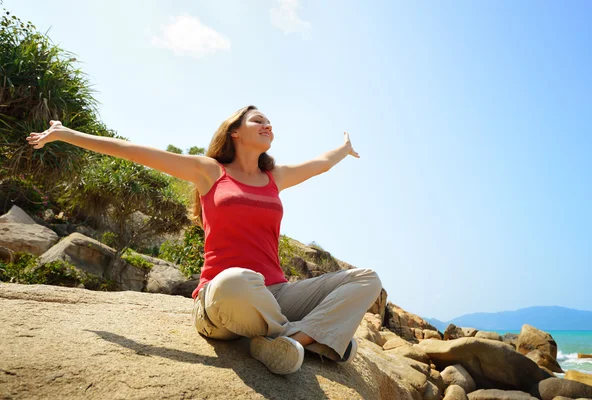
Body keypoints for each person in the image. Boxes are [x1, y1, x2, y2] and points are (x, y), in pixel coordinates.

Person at [27, 105, 383, 375]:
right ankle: (320, 338)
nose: (267, 125)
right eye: (258, 120)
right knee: (237, 280)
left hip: (275, 294)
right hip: (225, 295)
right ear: (234, 132)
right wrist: (67, 134)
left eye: (269, 123)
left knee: (367, 278)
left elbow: (320, 163)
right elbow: (133, 150)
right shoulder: (209, 171)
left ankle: (294, 342)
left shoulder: (275, 177)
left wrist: (343, 149)